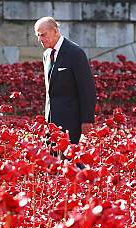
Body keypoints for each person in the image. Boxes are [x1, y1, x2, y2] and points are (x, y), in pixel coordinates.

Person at [34, 17, 96, 146]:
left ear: (55, 31)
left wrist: (87, 120)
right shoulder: (46, 55)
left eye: (43, 35)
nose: (40, 39)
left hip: (71, 123)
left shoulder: (75, 53)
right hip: (50, 122)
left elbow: (87, 89)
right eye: (38, 35)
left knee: (69, 162)